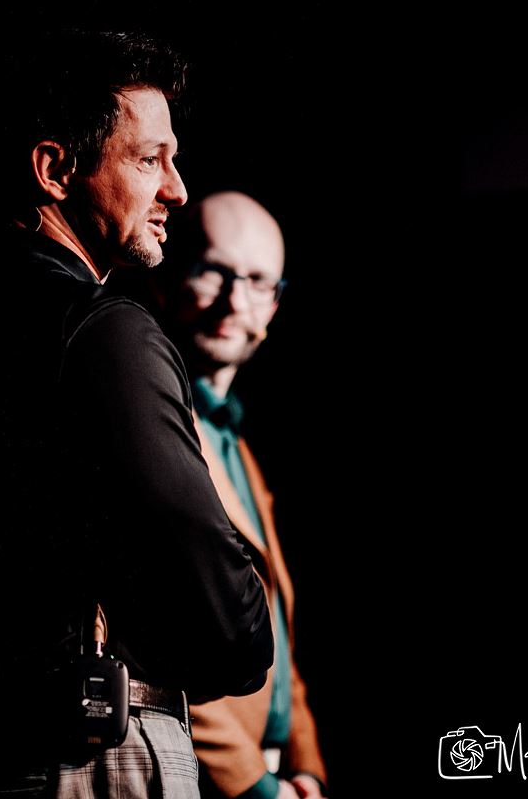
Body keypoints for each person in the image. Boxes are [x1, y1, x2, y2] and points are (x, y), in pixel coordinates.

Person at [0, 32, 274, 798]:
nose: (177, 189)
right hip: (93, 756)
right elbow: (228, 626)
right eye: (150, 159)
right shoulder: (102, 330)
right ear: (55, 170)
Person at [156, 191, 327, 798]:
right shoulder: (150, 429)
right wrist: (257, 787)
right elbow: (154, 642)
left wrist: (307, 767)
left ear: (275, 302)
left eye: (257, 282)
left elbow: (280, 628)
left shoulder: (241, 449)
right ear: (169, 276)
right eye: (215, 272)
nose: (235, 301)